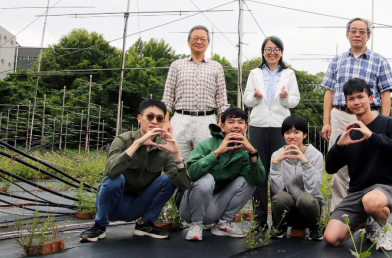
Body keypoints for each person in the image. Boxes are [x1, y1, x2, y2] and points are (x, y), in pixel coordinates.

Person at [79, 99, 191, 242]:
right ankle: (99, 226)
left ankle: (145, 224)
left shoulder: (164, 147)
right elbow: (111, 172)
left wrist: (177, 155)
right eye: (150, 117)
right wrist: (137, 143)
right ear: (139, 118)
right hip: (113, 204)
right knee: (117, 177)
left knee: (169, 178)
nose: (154, 121)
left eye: (159, 118)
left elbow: (185, 185)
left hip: (138, 204)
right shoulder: (123, 140)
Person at [323, 78, 392, 251]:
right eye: (351, 99)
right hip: (357, 192)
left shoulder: (389, 124)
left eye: (360, 97)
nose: (356, 102)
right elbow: (330, 168)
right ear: (347, 103)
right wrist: (339, 146)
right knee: (330, 238)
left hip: (387, 187)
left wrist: (372, 136)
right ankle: (366, 220)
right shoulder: (349, 133)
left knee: (371, 201)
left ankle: (383, 227)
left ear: (371, 99)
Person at [320, 18, 392, 216]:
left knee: (371, 164)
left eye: (362, 31)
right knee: (339, 168)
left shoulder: (379, 61)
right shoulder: (337, 61)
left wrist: (383, 123)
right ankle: (339, 214)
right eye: (353, 31)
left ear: (368, 36)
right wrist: (326, 122)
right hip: (340, 115)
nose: (357, 34)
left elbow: (385, 92)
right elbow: (329, 91)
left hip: (369, 119)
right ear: (347, 34)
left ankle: (371, 216)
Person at [177, 107, 266, 241]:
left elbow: (259, 180)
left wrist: (253, 152)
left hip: (214, 208)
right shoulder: (206, 144)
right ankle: (196, 225)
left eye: (240, 122)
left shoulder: (245, 153)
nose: (236, 126)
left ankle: (223, 223)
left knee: (250, 179)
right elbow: (190, 174)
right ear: (222, 127)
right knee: (206, 179)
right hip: (190, 207)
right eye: (231, 122)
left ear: (246, 127)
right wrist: (217, 153)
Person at [243, 36, 300, 230]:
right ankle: (259, 221)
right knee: (260, 172)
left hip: (279, 126)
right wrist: (255, 97)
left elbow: (294, 101)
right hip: (258, 125)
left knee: (279, 173)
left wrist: (285, 98)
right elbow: (247, 100)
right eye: (268, 49)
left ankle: (279, 221)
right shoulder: (254, 73)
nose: (272, 52)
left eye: (276, 49)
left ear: (281, 53)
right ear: (263, 52)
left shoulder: (289, 74)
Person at [162, 25, 230, 161]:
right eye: (195, 38)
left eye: (203, 39)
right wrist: (165, 121)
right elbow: (168, 97)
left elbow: (222, 100)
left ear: (208, 43)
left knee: (204, 160)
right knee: (177, 160)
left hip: (207, 121)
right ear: (188, 41)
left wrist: (222, 123)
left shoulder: (217, 67)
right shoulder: (176, 65)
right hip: (180, 119)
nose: (199, 42)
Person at [269, 115, 324, 241]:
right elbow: (277, 190)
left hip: (309, 210)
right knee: (279, 197)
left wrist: (305, 162)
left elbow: (313, 190)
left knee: (306, 198)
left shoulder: (316, 155)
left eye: (296, 132)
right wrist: (276, 164)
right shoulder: (277, 155)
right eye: (287, 132)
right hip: (288, 212)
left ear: (304, 135)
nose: (291, 136)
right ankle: (280, 226)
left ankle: (314, 227)